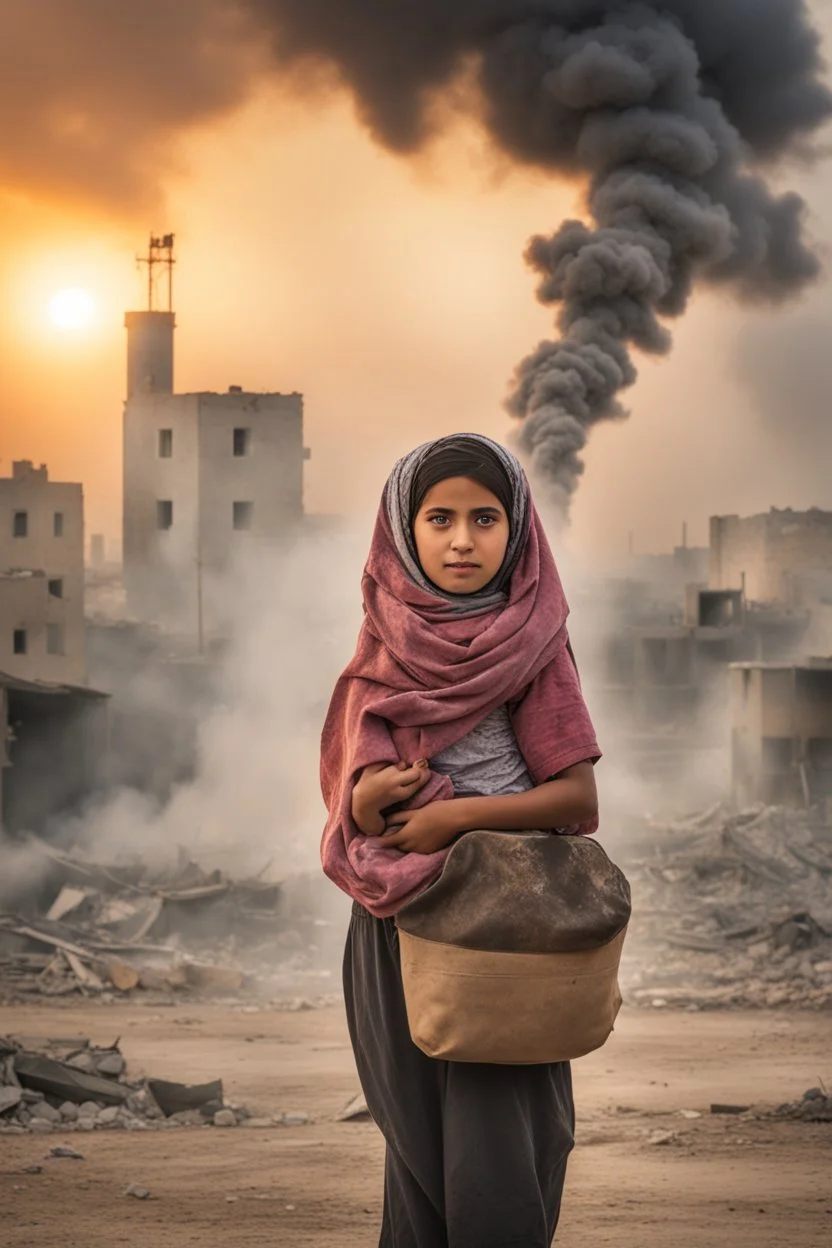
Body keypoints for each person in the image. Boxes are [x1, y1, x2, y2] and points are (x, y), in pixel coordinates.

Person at [320, 432, 601, 1248]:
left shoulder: (533, 648)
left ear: (516, 531)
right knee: (415, 1152)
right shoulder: (382, 644)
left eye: (485, 519)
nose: (461, 540)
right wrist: (368, 799)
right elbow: (354, 810)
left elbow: (576, 798)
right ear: (404, 531)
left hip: (501, 929)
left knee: (498, 1152)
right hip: (392, 925)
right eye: (438, 518)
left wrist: (456, 818)